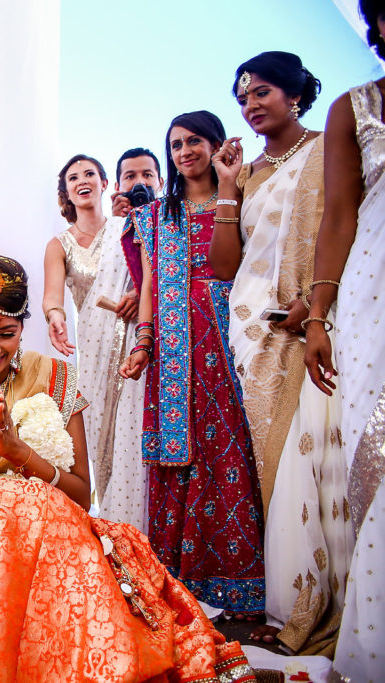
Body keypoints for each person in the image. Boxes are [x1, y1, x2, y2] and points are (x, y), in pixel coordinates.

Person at [0, 255, 257, 683]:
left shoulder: (57, 378)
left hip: (46, 533)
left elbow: (82, 494)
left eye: (7, 334)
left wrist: (18, 452)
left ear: (22, 329)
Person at [207, 52, 351, 653]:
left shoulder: (329, 150)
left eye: (262, 92)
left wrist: (314, 308)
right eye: (243, 99)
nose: (250, 105)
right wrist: (224, 188)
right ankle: (296, 599)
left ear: (295, 95)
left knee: (325, 458)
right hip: (256, 334)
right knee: (276, 463)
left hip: (317, 322)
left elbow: (340, 228)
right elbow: (223, 268)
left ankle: (339, 601)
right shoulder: (250, 174)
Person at [119, 111, 265, 619]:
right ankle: (178, 579)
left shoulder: (240, 195)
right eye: (176, 144)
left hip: (227, 338)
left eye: (194, 141)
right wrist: (143, 342)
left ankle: (237, 584)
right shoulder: (157, 214)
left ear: (215, 144)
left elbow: (239, 266)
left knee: (227, 446)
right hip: (172, 352)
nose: (184, 151)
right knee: (176, 458)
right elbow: (152, 285)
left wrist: (228, 184)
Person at [305, 1, 385, 677]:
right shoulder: (353, 109)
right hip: (373, 291)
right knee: (375, 450)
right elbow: (339, 214)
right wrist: (318, 316)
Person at [42, 153, 146, 530]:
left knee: (133, 431)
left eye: (90, 174)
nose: (82, 180)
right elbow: (52, 296)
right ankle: (113, 530)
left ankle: (142, 528)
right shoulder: (60, 244)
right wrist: (55, 317)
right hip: (94, 348)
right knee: (99, 435)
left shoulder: (128, 230)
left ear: (105, 184)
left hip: (137, 341)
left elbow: (149, 278)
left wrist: (138, 293)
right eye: (73, 178)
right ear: (66, 192)